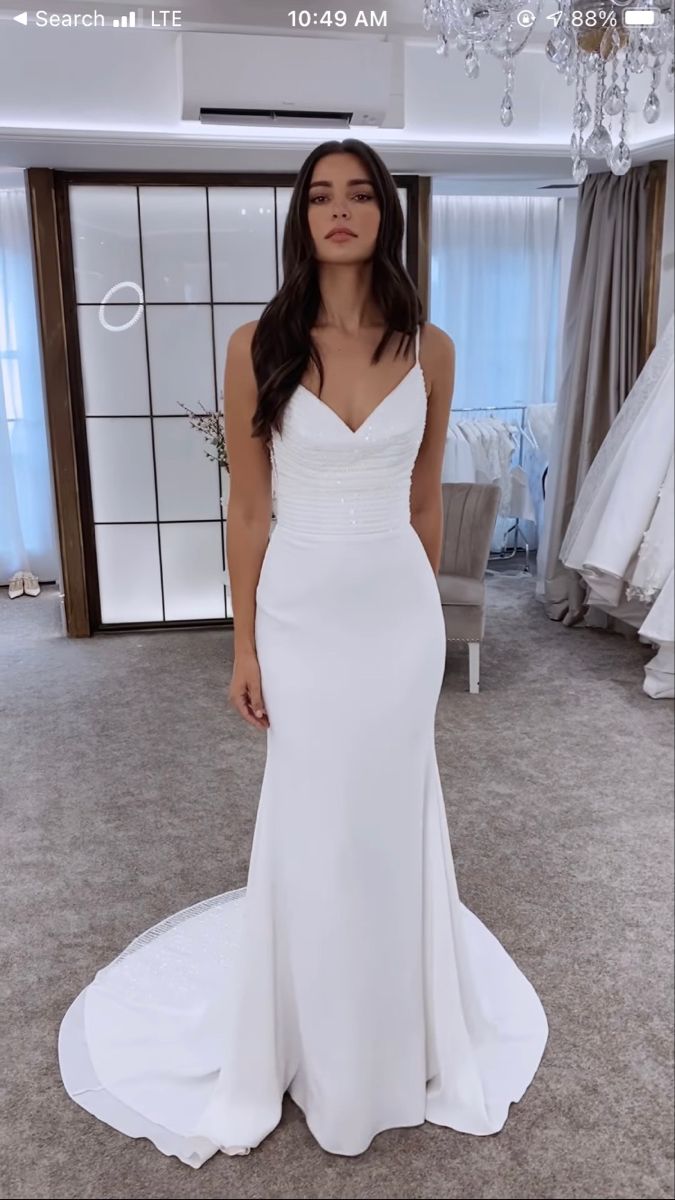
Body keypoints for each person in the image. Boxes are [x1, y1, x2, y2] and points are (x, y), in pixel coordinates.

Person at [57, 138, 548, 1169]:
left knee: (388, 814)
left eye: (359, 193)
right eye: (321, 195)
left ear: (385, 214)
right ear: (302, 216)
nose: (340, 210)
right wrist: (242, 644)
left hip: (395, 616)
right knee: (314, 819)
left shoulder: (434, 347)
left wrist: (424, 616)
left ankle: (393, 1031)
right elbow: (248, 510)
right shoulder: (257, 344)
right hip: (300, 611)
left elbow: (422, 500)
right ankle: (308, 1039)